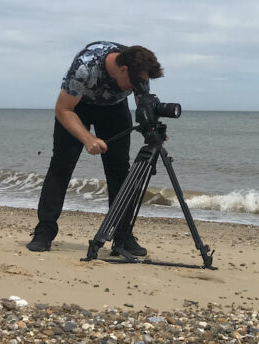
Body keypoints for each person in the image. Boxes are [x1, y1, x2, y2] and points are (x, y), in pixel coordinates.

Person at [27, 41, 163, 254]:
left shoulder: (138, 72)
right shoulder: (85, 67)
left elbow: (143, 105)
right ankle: (44, 231)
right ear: (123, 70)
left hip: (113, 108)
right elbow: (62, 109)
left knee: (119, 171)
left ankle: (122, 237)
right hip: (76, 108)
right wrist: (87, 138)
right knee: (61, 166)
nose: (137, 87)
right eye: (134, 83)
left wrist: (153, 129)